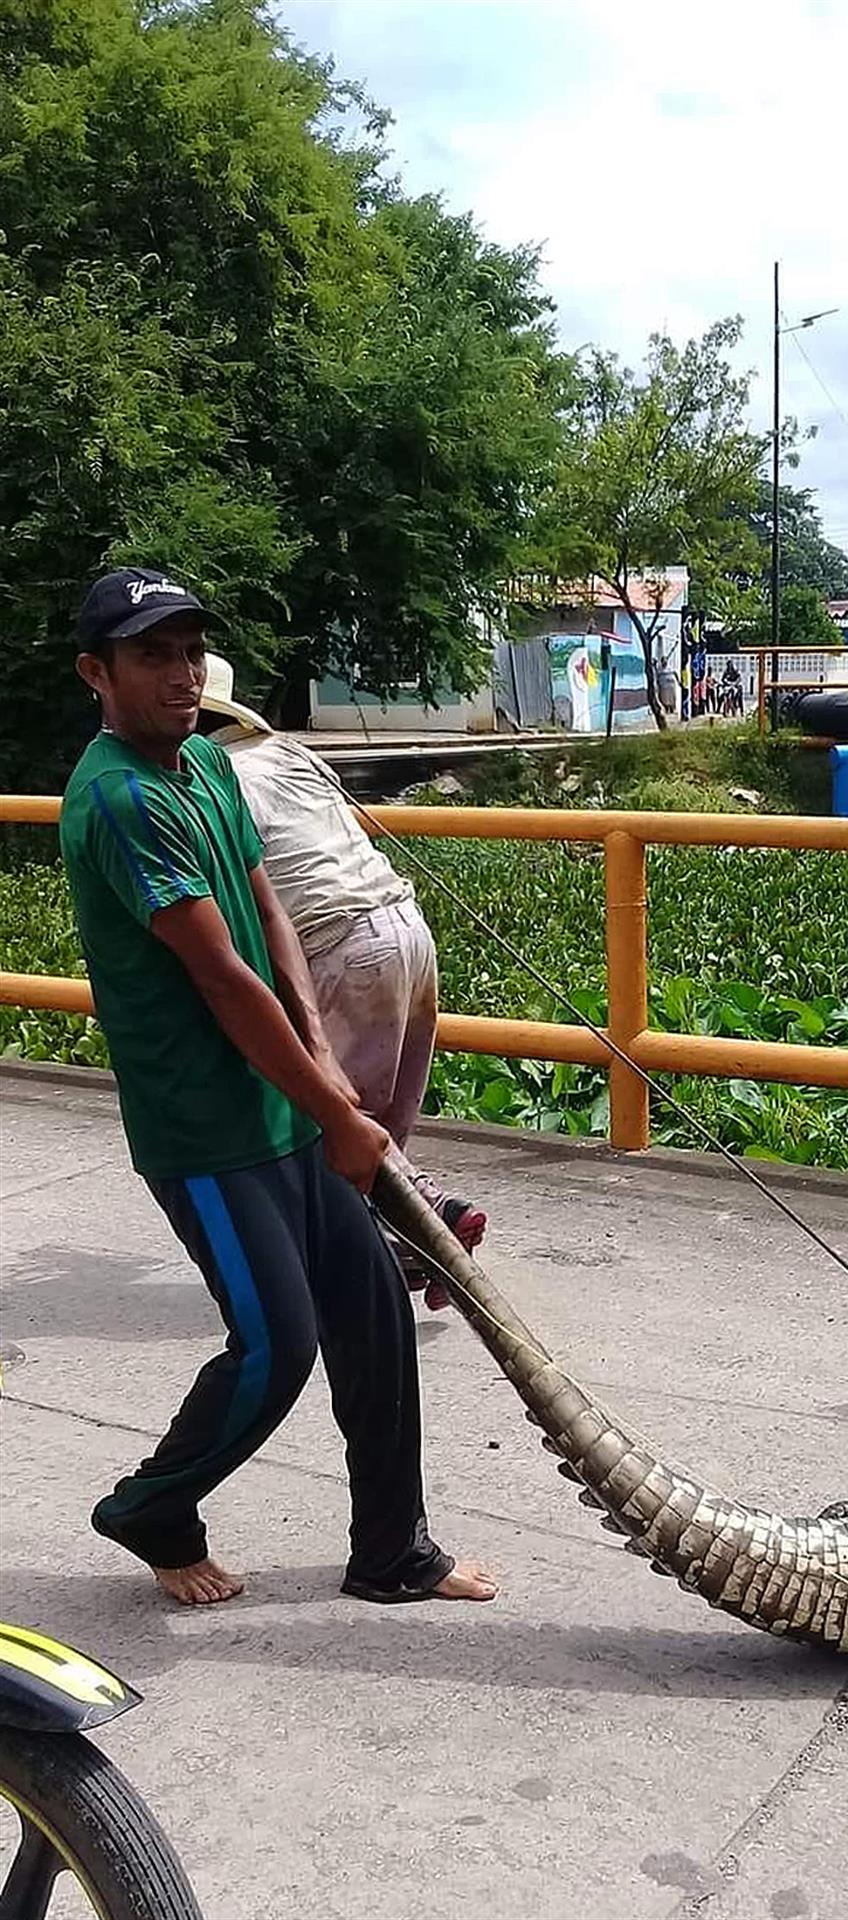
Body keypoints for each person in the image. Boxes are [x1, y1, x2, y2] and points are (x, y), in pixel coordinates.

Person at [60, 566, 498, 1610]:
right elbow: (216, 975)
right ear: (97, 672)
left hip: (283, 1108)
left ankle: (392, 1552)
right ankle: (152, 1506)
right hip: (205, 1128)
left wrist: (324, 1077)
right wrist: (330, 1110)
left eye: (185, 652)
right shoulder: (119, 800)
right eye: (150, 655)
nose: (177, 673)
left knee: (374, 1319)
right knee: (275, 1346)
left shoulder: (208, 766)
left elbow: (267, 921)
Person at [195, 657, 483, 1304]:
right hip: (405, 929)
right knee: (377, 1127)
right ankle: (405, 1248)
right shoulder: (289, 754)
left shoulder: (208, 783)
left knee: (330, 1125)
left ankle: (426, 1212)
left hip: (337, 948)